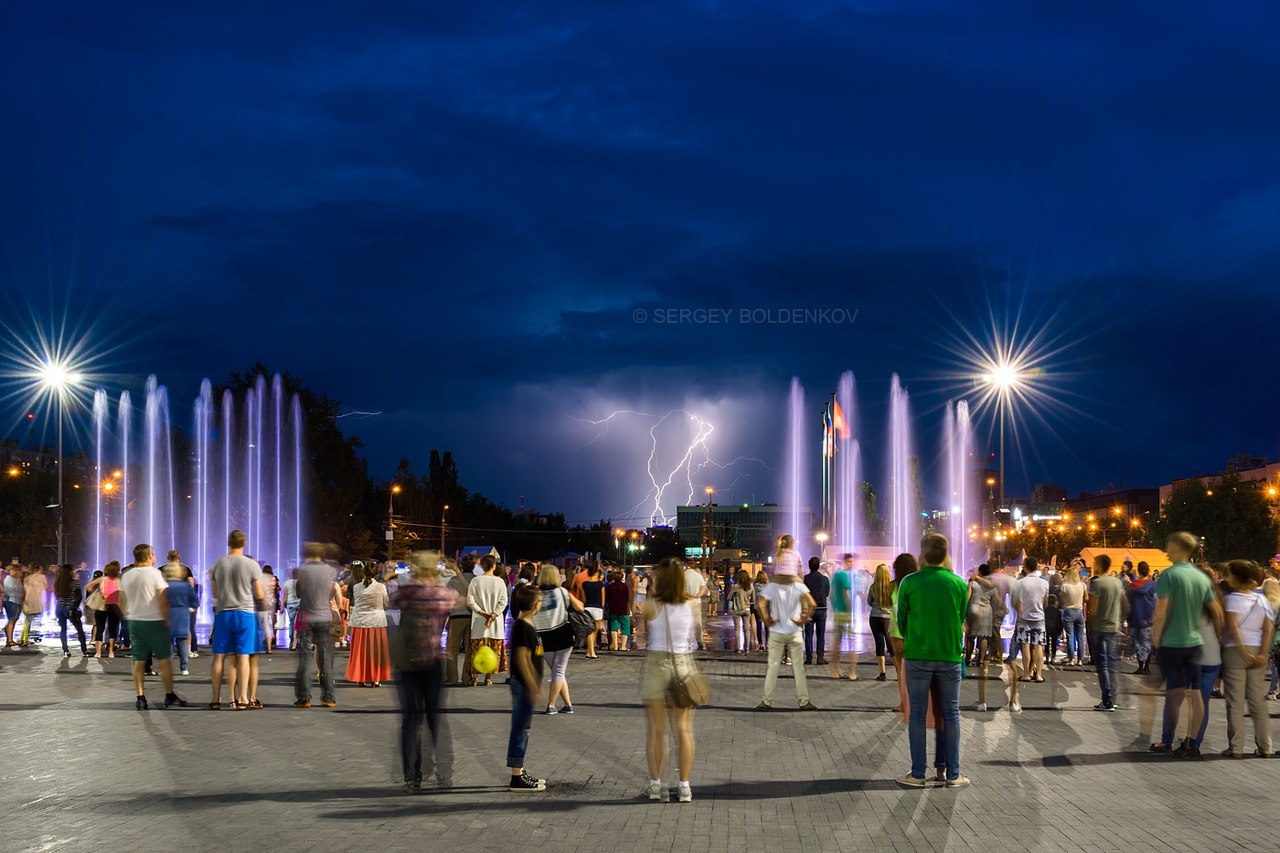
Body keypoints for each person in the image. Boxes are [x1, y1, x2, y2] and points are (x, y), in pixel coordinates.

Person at [896, 534, 968, 788]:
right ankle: (952, 773)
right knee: (950, 714)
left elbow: (901, 619)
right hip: (949, 657)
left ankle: (917, 774)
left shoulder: (909, 582)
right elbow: (961, 619)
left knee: (917, 713)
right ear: (947, 553)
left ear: (923, 554)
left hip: (918, 656)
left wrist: (913, 638)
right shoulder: (959, 583)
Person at [1150, 531, 1223, 758]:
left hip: (1174, 643)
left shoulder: (1169, 575)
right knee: (1196, 696)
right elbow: (1219, 613)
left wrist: (1157, 637)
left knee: (1173, 695)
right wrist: (1219, 637)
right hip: (1197, 644)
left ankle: (1169, 740)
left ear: (1174, 548)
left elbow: (1161, 612)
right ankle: (1191, 743)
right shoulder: (1202, 578)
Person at [393, 551, 460, 791]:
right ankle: (444, 773)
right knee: (435, 720)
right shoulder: (443, 595)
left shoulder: (408, 593)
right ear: (436, 571)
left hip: (408, 663)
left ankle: (413, 774)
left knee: (411, 721)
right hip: (433, 662)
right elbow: (457, 599)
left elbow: (394, 600)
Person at [642, 557, 700, 803]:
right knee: (684, 730)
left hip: (656, 664)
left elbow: (645, 630)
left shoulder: (651, 605)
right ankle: (684, 786)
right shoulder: (693, 604)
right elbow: (694, 634)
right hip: (683, 664)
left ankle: (657, 786)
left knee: (657, 731)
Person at [119, 543, 186, 710]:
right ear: (148, 556)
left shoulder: (127, 575)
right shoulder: (155, 574)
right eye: (154, 554)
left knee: (138, 661)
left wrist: (128, 615)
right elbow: (163, 599)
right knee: (164, 660)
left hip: (135, 621)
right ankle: (169, 694)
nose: (155, 557)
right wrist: (167, 619)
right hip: (155, 621)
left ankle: (140, 697)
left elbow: (121, 600)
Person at [1219, 559, 1274, 757]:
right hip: (1258, 650)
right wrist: (1262, 654)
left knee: (1235, 701)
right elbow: (1268, 629)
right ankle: (1265, 747)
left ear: (1236, 577)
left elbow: (1232, 629)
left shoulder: (1231, 600)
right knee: (1257, 701)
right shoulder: (1262, 600)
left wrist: (1244, 654)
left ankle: (1236, 747)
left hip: (1235, 651)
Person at [208, 530, 264, 710]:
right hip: (245, 613)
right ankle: (243, 698)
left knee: (219, 656)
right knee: (244, 656)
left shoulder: (217, 564)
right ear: (244, 542)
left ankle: (216, 699)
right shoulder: (251, 564)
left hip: (223, 613)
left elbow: (215, 592)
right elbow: (259, 593)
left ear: (228, 542)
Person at [755, 566, 818, 711]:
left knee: (772, 668)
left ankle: (766, 701)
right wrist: (802, 620)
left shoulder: (771, 587)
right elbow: (812, 604)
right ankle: (804, 701)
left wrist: (767, 621)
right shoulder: (798, 586)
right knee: (798, 669)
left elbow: (760, 605)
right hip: (794, 631)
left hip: (776, 631)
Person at [507, 584, 548, 792]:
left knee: (523, 727)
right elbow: (522, 659)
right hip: (523, 685)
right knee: (520, 728)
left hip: (525, 684)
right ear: (534, 605)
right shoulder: (523, 626)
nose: (541, 603)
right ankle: (516, 777)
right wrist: (533, 685)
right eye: (540, 600)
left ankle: (519, 770)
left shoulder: (527, 624)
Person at [532, 562, 585, 713]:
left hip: (543, 638)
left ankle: (566, 705)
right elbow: (580, 607)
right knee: (558, 672)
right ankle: (552, 705)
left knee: (557, 672)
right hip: (563, 635)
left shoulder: (535, 593)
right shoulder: (562, 592)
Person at [294, 542, 339, 708]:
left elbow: (299, 592)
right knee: (326, 657)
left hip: (306, 617)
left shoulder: (303, 570)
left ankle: (304, 698)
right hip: (325, 617)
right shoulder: (330, 571)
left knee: (305, 658)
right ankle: (329, 697)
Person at [1087, 555, 1128, 711]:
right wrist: (1120, 619)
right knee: (1111, 664)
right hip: (1113, 627)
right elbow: (1125, 604)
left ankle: (1107, 700)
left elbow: (1092, 609)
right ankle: (1112, 698)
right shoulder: (1117, 582)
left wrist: (1090, 627)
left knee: (1102, 665)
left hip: (1099, 627)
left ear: (1099, 564)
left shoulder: (1096, 583)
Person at [466, 555, 509, 687]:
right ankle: (488, 678)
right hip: (495, 621)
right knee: (493, 647)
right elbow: (503, 601)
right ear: (494, 566)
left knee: (477, 647)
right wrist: (493, 615)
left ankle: (474, 677)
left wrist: (482, 612)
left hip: (479, 619)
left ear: (483, 566)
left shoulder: (476, 581)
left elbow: (470, 600)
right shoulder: (500, 581)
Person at [965, 564, 1004, 711]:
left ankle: (968, 658)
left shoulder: (973, 582)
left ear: (980, 572)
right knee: (984, 637)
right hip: (986, 610)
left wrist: (963, 613)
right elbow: (996, 601)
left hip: (973, 609)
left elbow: (967, 597)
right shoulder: (992, 586)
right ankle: (981, 660)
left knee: (970, 637)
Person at [346, 565, 392, 687]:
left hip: (359, 622)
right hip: (376, 622)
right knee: (375, 652)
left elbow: (356, 602)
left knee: (360, 653)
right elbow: (386, 604)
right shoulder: (381, 587)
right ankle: (375, 678)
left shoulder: (356, 587)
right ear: (376, 573)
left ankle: (360, 678)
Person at [889, 553, 919, 714]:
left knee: (901, 670)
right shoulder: (918, 585)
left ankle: (904, 704)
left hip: (896, 630)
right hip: (915, 630)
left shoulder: (892, 586)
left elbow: (886, 604)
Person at [1013, 558, 1049, 684]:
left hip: (1024, 617)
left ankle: (1026, 674)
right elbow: (1045, 601)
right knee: (1039, 646)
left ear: (1026, 567)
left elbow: (1017, 602)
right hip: (1039, 617)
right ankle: (1039, 674)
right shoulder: (1044, 583)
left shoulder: (1020, 583)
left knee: (1025, 645)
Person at [164, 562, 198, 675]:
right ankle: (184, 668)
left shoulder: (164, 585)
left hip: (167, 615)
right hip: (182, 615)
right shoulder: (186, 585)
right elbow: (195, 601)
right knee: (182, 642)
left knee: (167, 642)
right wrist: (191, 608)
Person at [444, 562, 472, 685]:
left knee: (452, 649)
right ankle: (467, 678)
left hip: (456, 615)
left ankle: (452, 677)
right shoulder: (476, 580)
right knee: (469, 649)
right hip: (472, 616)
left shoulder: (453, 580)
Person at [1127, 562, 1157, 675]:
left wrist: (1128, 618)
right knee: (1148, 643)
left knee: (1138, 643)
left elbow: (1128, 603)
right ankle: (1147, 668)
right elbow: (1157, 601)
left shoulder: (1133, 586)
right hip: (1149, 619)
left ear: (1138, 571)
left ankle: (1140, 667)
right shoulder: (1153, 586)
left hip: (1136, 617)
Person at [54, 564, 89, 657]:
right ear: (69, 572)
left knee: (63, 629)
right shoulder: (75, 582)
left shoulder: (58, 583)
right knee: (79, 629)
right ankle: (84, 650)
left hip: (59, 608)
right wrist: (75, 607)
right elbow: (79, 597)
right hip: (70, 608)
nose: (75, 572)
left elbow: (57, 596)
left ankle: (65, 650)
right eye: (73, 570)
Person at [830, 554, 856, 678]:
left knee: (837, 642)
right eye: (849, 561)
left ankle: (835, 670)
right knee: (852, 642)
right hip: (845, 613)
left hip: (837, 612)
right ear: (845, 561)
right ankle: (852, 672)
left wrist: (834, 608)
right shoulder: (845, 576)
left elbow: (831, 594)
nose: (851, 564)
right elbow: (846, 595)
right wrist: (850, 611)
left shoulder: (836, 575)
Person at [868, 563, 894, 681]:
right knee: (891, 645)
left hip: (875, 617)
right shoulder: (892, 587)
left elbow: (869, 601)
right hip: (888, 618)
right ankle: (899, 672)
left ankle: (882, 673)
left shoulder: (873, 587)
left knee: (879, 644)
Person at [803, 557, 830, 666]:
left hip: (809, 610)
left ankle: (809, 658)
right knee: (821, 634)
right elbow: (827, 593)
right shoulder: (825, 579)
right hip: (822, 609)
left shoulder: (805, 579)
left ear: (809, 566)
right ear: (818, 566)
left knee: (808, 634)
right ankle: (820, 658)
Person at [1059, 567, 1087, 667]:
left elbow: (1062, 599)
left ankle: (1071, 659)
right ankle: (1080, 659)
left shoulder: (1065, 586)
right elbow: (1086, 598)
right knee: (1080, 637)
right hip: (1079, 612)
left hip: (1069, 611)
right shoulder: (1082, 585)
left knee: (1070, 636)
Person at [580, 564, 606, 660]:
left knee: (589, 631)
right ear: (596, 573)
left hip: (587, 607)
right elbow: (603, 600)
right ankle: (592, 652)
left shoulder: (584, 584)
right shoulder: (600, 585)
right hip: (598, 608)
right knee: (595, 630)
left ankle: (589, 651)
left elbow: (583, 598)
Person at [605, 569, 633, 652]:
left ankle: (615, 646)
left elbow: (607, 598)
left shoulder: (610, 586)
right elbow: (629, 598)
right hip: (624, 609)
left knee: (614, 627)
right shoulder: (625, 586)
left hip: (613, 609)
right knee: (625, 628)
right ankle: (623, 646)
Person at [729, 569, 755, 655]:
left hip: (737, 610)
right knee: (746, 629)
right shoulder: (751, 586)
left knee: (737, 629)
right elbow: (753, 599)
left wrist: (731, 605)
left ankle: (738, 648)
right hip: (747, 610)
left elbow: (729, 598)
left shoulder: (736, 586)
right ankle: (747, 648)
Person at [683, 562, 708, 651]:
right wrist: (698, 595)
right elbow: (704, 588)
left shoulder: (683, 576)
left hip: (685, 601)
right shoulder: (698, 576)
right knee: (697, 622)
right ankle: (699, 641)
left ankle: (685, 640)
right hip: (696, 601)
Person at [20, 566, 46, 646]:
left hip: (25, 603)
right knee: (28, 621)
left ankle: (22, 639)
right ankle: (25, 640)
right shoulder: (31, 585)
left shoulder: (25, 583)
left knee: (26, 621)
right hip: (29, 603)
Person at [257, 565, 280, 654]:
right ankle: (269, 646)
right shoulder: (273, 578)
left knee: (258, 624)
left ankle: (258, 645)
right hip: (271, 603)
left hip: (261, 603)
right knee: (269, 625)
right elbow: (276, 590)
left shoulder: (260, 578)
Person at [282, 568, 301, 650]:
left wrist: (282, 606)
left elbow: (285, 596)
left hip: (290, 604)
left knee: (291, 623)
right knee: (299, 624)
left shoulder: (287, 583)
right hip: (300, 604)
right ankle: (297, 642)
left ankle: (291, 641)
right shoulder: (301, 583)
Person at [752, 569, 769, 652]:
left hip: (757, 608)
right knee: (767, 626)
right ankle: (768, 643)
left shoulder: (754, 586)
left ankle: (761, 644)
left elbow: (752, 597)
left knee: (758, 626)